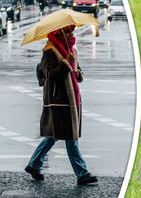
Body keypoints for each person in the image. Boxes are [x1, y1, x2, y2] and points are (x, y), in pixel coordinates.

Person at [25, 25, 98, 185]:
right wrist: (66, 64)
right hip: (58, 102)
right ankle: (82, 174)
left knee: (52, 136)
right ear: (59, 34)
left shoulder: (72, 50)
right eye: (67, 31)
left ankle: (33, 165)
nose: (71, 33)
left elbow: (77, 72)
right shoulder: (49, 52)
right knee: (70, 138)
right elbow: (51, 76)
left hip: (72, 100)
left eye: (71, 30)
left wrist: (78, 73)